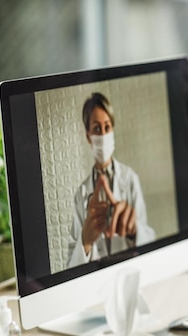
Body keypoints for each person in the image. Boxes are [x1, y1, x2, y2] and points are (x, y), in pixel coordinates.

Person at [67, 92, 155, 268]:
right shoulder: (81, 194)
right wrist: (85, 241)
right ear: (88, 136)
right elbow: (71, 265)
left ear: (113, 130)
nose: (103, 134)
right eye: (97, 129)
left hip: (130, 275)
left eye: (107, 127)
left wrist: (133, 230)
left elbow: (149, 240)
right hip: (97, 285)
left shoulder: (129, 179)